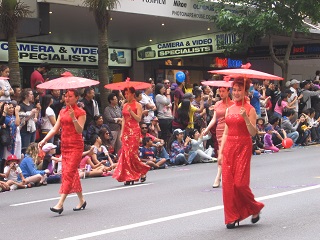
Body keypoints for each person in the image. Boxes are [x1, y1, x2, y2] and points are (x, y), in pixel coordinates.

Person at [218, 77, 264, 229]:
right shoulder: (229, 109)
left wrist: (245, 118)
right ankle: (231, 216)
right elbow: (225, 132)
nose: (236, 93)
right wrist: (220, 151)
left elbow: (253, 132)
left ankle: (254, 206)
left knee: (240, 183)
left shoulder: (250, 109)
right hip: (229, 147)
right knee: (228, 185)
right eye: (235, 90)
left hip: (243, 147)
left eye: (239, 90)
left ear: (245, 91)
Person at [39, 89, 87, 215]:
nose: (67, 98)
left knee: (68, 173)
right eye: (66, 96)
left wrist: (73, 118)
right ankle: (82, 200)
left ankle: (60, 203)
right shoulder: (61, 111)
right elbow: (55, 129)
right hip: (65, 146)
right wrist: (44, 140)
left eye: (70, 96)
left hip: (76, 146)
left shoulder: (81, 112)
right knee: (71, 173)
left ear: (76, 98)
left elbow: (79, 130)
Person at [112, 87, 150, 185]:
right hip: (126, 132)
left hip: (135, 131)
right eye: (125, 93)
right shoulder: (124, 105)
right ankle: (129, 176)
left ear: (133, 94)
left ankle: (142, 171)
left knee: (132, 154)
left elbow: (138, 119)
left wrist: (131, 112)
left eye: (128, 93)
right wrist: (121, 132)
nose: (126, 95)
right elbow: (124, 119)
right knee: (125, 154)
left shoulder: (138, 105)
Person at [203, 86, 233, 188]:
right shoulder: (217, 104)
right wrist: (207, 129)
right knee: (221, 154)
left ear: (228, 92)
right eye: (220, 91)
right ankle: (220, 176)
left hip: (230, 131)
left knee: (226, 154)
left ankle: (219, 176)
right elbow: (214, 119)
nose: (221, 93)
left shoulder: (233, 104)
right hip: (219, 131)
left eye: (223, 91)